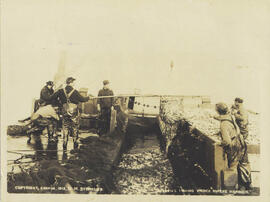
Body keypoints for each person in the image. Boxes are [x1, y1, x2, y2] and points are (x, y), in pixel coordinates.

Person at [215, 102, 252, 190]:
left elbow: (227, 141)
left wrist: (219, 143)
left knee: (232, 166)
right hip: (241, 142)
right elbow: (233, 129)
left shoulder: (223, 124)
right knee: (244, 164)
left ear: (218, 112)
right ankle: (246, 186)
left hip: (234, 145)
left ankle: (231, 188)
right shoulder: (230, 117)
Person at [51, 77, 90, 149]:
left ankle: (64, 144)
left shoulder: (60, 91)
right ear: (71, 83)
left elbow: (52, 97)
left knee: (65, 126)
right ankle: (75, 144)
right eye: (73, 82)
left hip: (64, 110)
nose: (74, 83)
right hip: (74, 110)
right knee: (75, 126)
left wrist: (60, 104)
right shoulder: (75, 91)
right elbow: (82, 99)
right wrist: (88, 98)